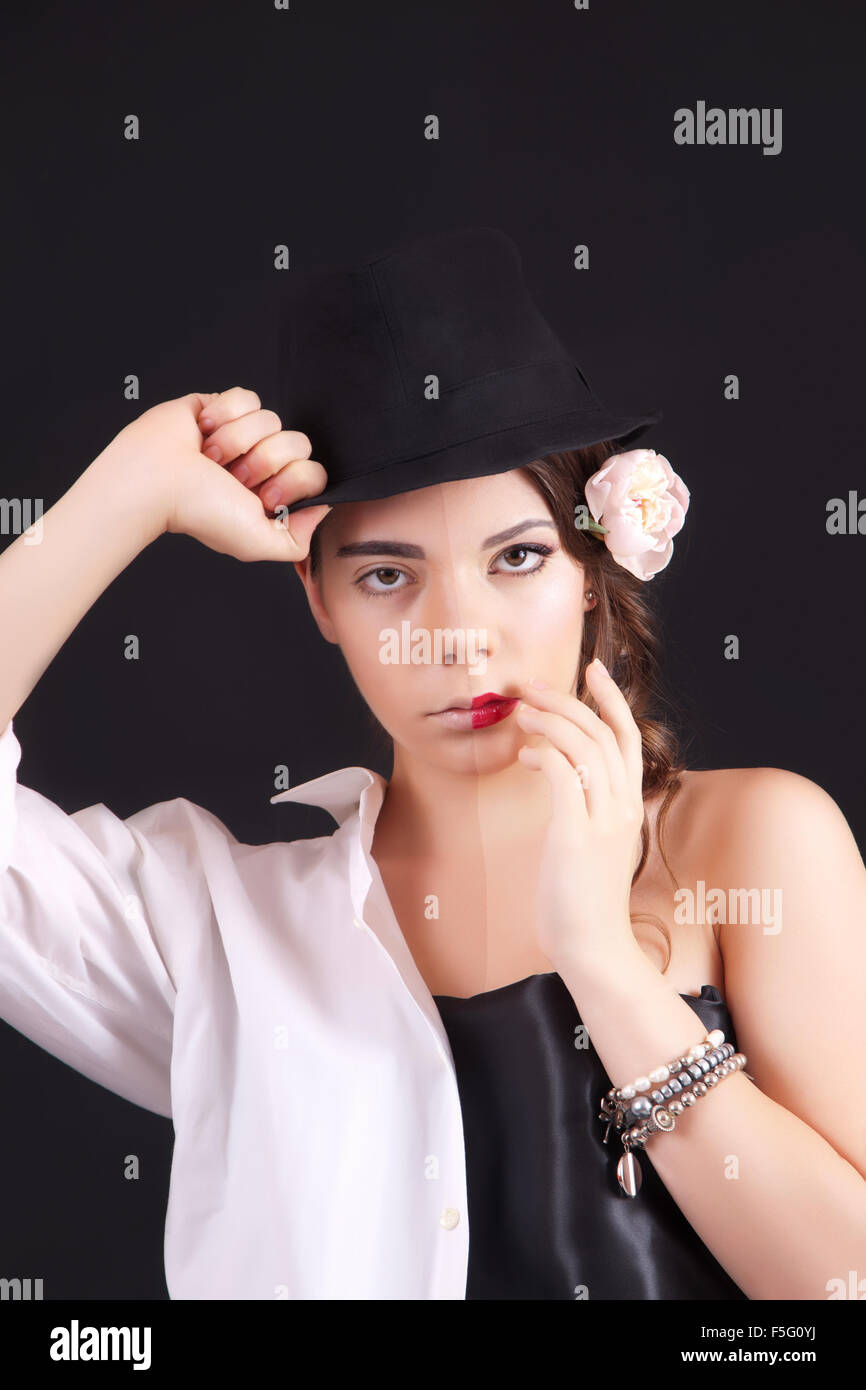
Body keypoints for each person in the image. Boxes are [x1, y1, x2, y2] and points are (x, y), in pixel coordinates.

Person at [1, 229, 865, 1301]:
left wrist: (598, 959)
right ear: (316, 597)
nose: (458, 636)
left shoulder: (752, 842)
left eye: (516, 557)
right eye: (383, 576)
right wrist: (126, 489)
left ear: (590, 571)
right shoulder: (218, 929)